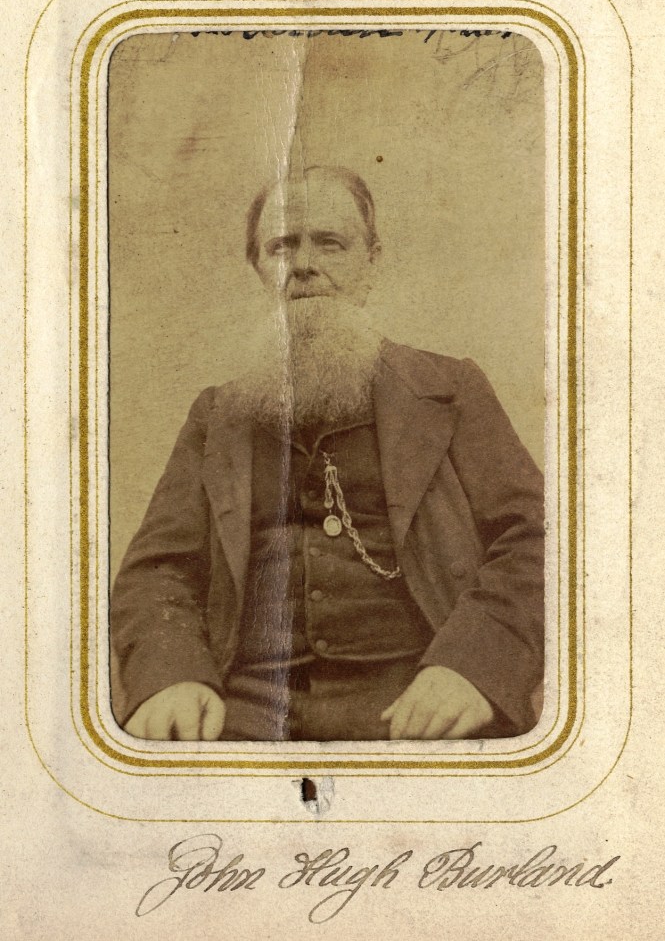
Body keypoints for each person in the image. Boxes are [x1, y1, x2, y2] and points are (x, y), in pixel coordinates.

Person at [111, 165, 544, 743]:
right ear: (258, 269)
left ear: (372, 261)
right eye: (281, 246)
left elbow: (537, 540)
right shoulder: (216, 415)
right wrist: (173, 675)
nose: (304, 265)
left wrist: (471, 668)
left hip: (417, 701)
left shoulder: (450, 389)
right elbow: (156, 572)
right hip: (243, 708)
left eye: (330, 243)